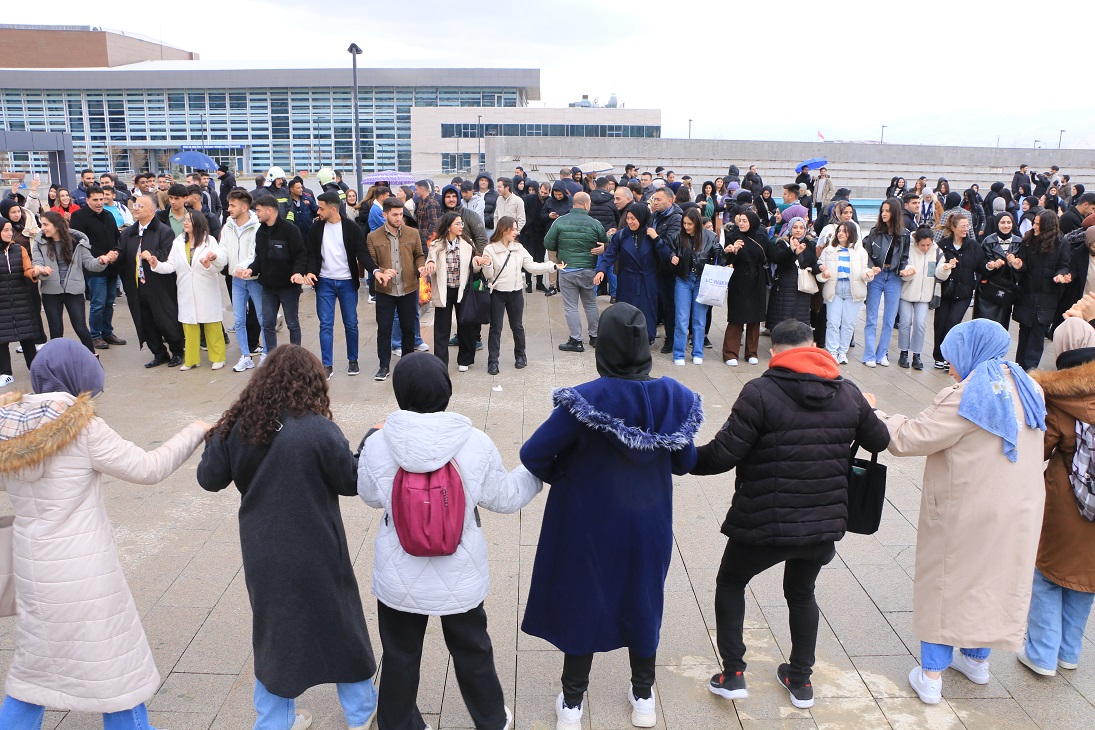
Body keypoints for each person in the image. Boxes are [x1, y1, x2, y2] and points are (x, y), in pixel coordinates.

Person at [0, 339, 207, 730]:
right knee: (118, 677)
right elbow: (148, 468)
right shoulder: (82, 427)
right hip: (83, 572)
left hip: (32, 568)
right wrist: (194, 431)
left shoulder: (9, 426)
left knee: (34, 675)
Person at [520, 303, 702, 730]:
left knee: (585, 600)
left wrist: (565, 472)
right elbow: (685, 460)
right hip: (649, 524)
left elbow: (533, 454)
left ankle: (571, 704)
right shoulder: (673, 397)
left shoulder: (585, 401)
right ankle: (643, 697)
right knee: (643, 600)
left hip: (588, 524)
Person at [692, 319, 888, 708]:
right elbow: (879, 440)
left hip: (763, 523)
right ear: (814, 345)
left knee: (731, 582)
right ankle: (800, 681)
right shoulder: (848, 391)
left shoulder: (760, 391)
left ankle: (732, 675)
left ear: (774, 352)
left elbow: (720, 456)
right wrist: (870, 408)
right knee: (801, 592)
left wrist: (673, 454)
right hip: (823, 527)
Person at [197, 344, 379, 730]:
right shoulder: (318, 428)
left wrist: (214, 436)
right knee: (341, 625)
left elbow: (210, 479)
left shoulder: (240, 425)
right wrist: (370, 441)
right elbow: (351, 480)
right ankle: (362, 714)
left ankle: (274, 721)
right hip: (318, 549)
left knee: (275, 634)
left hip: (264, 550)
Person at [867, 319, 1047, 705]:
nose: (950, 368)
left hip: (968, 508)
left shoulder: (971, 393)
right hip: (1021, 508)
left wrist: (874, 416)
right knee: (992, 581)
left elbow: (910, 437)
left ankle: (931, 675)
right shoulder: (1028, 385)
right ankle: (977, 660)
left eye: (952, 358)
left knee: (946, 582)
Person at [358, 352, 539, 730]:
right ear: (447, 390)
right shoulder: (475, 442)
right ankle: (491, 720)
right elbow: (504, 497)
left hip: (399, 574)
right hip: (461, 573)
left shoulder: (378, 443)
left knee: (400, 654)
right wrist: (536, 471)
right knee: (472, 649)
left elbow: (370, 496)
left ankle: (397, 724)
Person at [1019, 316, 1095, 675]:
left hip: (1066, 503)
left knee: (1048, 575)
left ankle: (1041, 654)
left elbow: (1039, 448)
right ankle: (1069, 653)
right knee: (1086, 580)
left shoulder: (1059, 398)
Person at [480, 216, 562, 373]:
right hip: (497, 293)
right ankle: (493, 361)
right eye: (514, 229)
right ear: (504, 230)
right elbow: (489, 274)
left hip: (516, 292)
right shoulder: (490, 249)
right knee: (496, 328)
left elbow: (531, 266)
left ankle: (520, 356)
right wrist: (487, 264)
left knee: (517, 326)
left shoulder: (518, 248)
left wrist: (552, 266)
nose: (516, 232)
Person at [306, 190, 373, 379]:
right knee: (325, 324)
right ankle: (327, 365)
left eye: (321, 208)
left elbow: (362, 254)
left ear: (333, 209)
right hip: (324, 281)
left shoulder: (351, 228)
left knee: (351, 323)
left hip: (346, 282)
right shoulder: (316, 228)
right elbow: (311, 253)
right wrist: (310, 272)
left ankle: (353, 360)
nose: (318, 211)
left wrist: (375, 271)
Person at [151, 209, 227, 371]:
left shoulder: (210, 241)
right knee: (189, 325)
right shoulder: (178, 242)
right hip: (186, 290)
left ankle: (218, 357)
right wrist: (156, 264)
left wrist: (210, 264)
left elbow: (220, 264)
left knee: (212, 324)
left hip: (206, 288)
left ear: (198, 223)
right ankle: (192, 360)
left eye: (189, 220)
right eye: (184, 220)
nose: (185, 222)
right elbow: (171, 265)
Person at [31, 211, 114, 354]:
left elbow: (89, 263)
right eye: (41, 224)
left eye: (45, 224)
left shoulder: (76, 241)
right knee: (56, 330)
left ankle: (92, 358)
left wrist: (101, 260)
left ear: (56, 225)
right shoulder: (39, 243)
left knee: (81, 328)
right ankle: (59, 363)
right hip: (50, 291)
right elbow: (36, 263)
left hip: (74, 290)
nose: (42, 228)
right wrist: (40, 270)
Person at [118, 196, 185, 369]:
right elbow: (122, 254)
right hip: (137, 287)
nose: (135, 208)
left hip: (159, 285)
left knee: (166, 319)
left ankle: (177, 351)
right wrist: (113, 256)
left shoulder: (164, 231)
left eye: (140, 205)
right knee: (145, 321)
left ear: (151, 210)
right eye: (135, 205)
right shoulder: (128, 233)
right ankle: (159, 353)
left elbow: (168, 254)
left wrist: (152, 254)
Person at [366, 197, 425, 382]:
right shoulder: (373, 236)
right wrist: (382, 271)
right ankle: (384, 366)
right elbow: (371, 263)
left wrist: (421, 267)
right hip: (385, 290)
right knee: (384, 329)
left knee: (408, 328)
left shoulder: (412, 233)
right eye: (395, 214)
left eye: (401, 214)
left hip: (408, 288)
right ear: (385, 215)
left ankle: (407, 364)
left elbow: (419, 255)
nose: (399, 218)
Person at [241, 196, 309, 353]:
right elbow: (259, 258)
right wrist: (251, 269)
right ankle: (271, 356)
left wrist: (298, 272)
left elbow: (300, 255)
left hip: (289, 287)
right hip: (268, 287)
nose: (256, 214)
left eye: (258, 210)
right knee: (267, 324)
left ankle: (295, 357)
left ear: (269, 210)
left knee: (292, 323)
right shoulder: (261, 231)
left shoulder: (290, 230)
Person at [595, 202, 668, 345]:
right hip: (627, 279)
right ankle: (627, 339)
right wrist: (601, 270)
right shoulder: (621, 235)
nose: (630, 221)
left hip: (647, 280)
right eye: (628, 218)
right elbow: (609, 255)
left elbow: (666, 255)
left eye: (633, 218)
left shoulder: (650, 235)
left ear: (641, 218)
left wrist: (657, 239)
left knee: (647, 311)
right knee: (626, 311)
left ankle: (647, 339)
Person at [548, 191, 608, 352]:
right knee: (590, 304)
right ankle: (595, 337)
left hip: (567, 269)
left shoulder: (560, 221)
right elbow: (605, 242)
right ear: (587, 205)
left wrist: (561, 249)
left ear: (573, 204)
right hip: (589, 269)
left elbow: (548, 242)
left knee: (571, 307)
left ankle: (576, 340)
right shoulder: (595, 223)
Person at [423, 212, 480, 371]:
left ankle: (465, 360)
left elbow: (474, 268)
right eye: (457, 224)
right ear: (448, 227)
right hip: (444, 290)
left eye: (461, 223)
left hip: (463, 291)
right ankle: (441, 362)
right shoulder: (436, 244)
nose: (461, 226)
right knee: (442, 328)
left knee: (465, 325)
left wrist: (480, 262)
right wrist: (430, 265)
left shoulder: (468, 244)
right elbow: (430, 261)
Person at [70, 185, 125, 350]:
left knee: (109, 301)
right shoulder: (78, 217)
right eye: (95, 200)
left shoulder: (108, 215)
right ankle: (95, 335)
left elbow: (117, 237)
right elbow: (80, 242)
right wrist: (104, 256)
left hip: (112, 266)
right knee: (98, 302)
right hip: (94, 267)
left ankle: (107, 332)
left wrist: (115, 252)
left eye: (102, 199)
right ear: (87, 200)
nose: (99, 203)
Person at [1014, 210, 1070, 369]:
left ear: (1047, 225)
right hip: (1027, 292)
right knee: (1024, 331)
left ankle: (1030, 370)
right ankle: (1019, 367)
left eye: (1038, 223)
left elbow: (1064, 265)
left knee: (1038, 333)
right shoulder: (1028, 239)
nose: (1034, 226)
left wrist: (1060, 275)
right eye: (1034, 222)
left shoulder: (1060, 242)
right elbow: (1022, 263)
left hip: (1048, 295)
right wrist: (1019, 265)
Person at [860, 198, 911, 368]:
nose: (884, 213)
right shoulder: (875, 232)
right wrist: (871, 267)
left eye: (887, 210)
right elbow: (865, 253)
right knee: (872, 317)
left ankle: (882, 353)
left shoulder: (904, 234)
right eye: (882, 210)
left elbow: (904, 256)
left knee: (889, 319)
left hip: (894, 277)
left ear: (895, 212)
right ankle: (869, 354)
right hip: (877, 275)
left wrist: (904, 269)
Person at [221, 188, 265, 372]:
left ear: (244, 207)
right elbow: (223, 249)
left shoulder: (257, 226)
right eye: (229, 204)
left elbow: (256, 252)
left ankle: (266, 354)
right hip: (236, 280)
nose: (229, 209)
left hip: (254, 279)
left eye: (232, 205)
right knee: (239, 320)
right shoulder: (228, 226)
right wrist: (214, 258)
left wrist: (243, 267)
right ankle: (246, 356)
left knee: (263, 318)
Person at [932, 214, 983, 369]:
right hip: (946, 291)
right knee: (940, 323)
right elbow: (934, 265)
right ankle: (938, 355)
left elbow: (981, 265)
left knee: (953, 324)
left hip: (964, 293)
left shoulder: (973, 246)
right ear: (953, 227)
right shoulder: (943, 245)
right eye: (963, 226)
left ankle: (949, 357)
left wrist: (990, 267)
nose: (966, 229)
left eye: (967, 226)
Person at [671, 208, 721, 364]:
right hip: (683, 279)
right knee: (681, 319)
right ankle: (679, 353)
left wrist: (725, 253)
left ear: (697, 223)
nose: (686, 227)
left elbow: (718, 253)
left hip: (702, 280)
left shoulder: (710, 236)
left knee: (699, 320)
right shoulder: (677, 237)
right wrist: (672, 257)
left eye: (689, 224)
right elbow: (670, 250)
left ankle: (697, 352)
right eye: (684, 223)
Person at [817, 220, 871, 364]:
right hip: (834, 288)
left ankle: (842, 352)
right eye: (839, 231)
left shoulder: (860, 251)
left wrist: (868, 274)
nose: (840, 233)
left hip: (853, 289)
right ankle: (832, 351)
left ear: (851, 233)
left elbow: (864, 269)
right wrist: (823, 272)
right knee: (833, 322)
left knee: (848, 323)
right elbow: (820, 266)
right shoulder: (829, 250)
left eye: (844, 231)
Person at [722, 210, 770, 366]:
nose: (741, 224)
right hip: (739, 279)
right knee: (736, 316)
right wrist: (732, 250)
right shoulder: (733, 236)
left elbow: (768, 256)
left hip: (757, 279)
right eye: (740, 220)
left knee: (754, 317)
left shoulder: (761, 237)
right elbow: (725, 258)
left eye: (745, 221)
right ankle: (730, 353)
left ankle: (751, 352)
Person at [0, 220, 45, 386]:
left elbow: (27, 270)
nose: (9, 233)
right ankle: (5, 373)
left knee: (27, 335)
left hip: (21, 297)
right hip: (2, 300)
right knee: (2, 338)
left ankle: (34, 368)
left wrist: (36, 272)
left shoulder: (19, 249)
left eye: (10, 230)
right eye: (5, 230)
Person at [897, 227, 943, 370]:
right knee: (905, 322)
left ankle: (917, 354)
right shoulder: (909, 249)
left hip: (925, 295)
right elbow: (904, 270)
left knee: (920, 323)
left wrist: (946, 269)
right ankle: (903, 352)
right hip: (907, 292)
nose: (925, 247)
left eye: (928, 245)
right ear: (916, 242)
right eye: (922, 245)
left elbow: (939, 274)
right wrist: (909, 273)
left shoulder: (937, 251)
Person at [765, 216, 819, 331]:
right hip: (785, 285)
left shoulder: (809, 245)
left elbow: (812, 263)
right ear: (790, 229)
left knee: (800, 319)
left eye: (801, 227)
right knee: (782, 318)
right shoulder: (782, 243)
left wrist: (820, 269)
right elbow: (778, 260)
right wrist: (792, 251)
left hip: (802, 286)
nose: (798, 230)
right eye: (795, 227)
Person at [974, 212, 1023, 330]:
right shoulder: (988, 241)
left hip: (1006, 290)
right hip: (987, 289)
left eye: (1009, 222)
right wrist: (990, 266)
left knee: (1000, 327)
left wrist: (1015, 264)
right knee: (982, 326)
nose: (1006, 226)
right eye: (1002, 222)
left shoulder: (1019, 242)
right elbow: (979, 265)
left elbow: (1024, 268)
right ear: (997, 224)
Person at [649, 188, 683, 354]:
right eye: (654, 199)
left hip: (668, 269)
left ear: (670, 201)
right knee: (656, 303)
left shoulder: (676, 218)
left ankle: (671, 339)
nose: (655, 202)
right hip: (653, 266)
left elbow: (671, 243)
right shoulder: (654, 215)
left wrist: (655, 236)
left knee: (669, 305)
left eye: (659, 200)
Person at [540, 181, 573, 297]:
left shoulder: (570, 201)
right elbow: (541, 216)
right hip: (552, 234)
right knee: (553, 261)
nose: (558, 197)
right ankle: (552, 285)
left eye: (560, 194)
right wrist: (549, 216)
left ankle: (564, 284)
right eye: (556, 194)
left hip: (566, 235)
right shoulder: (549, 201)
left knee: (564, 261)